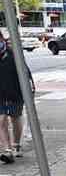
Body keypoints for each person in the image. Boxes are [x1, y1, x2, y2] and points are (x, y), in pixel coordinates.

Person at [0, 32, 34, 163]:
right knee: (1, 120)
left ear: (2, 39)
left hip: (15, 92)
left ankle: (16, 145)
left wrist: (27, 90)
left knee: (15, 118)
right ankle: (7, 150)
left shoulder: (14, 55)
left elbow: (25, 73)